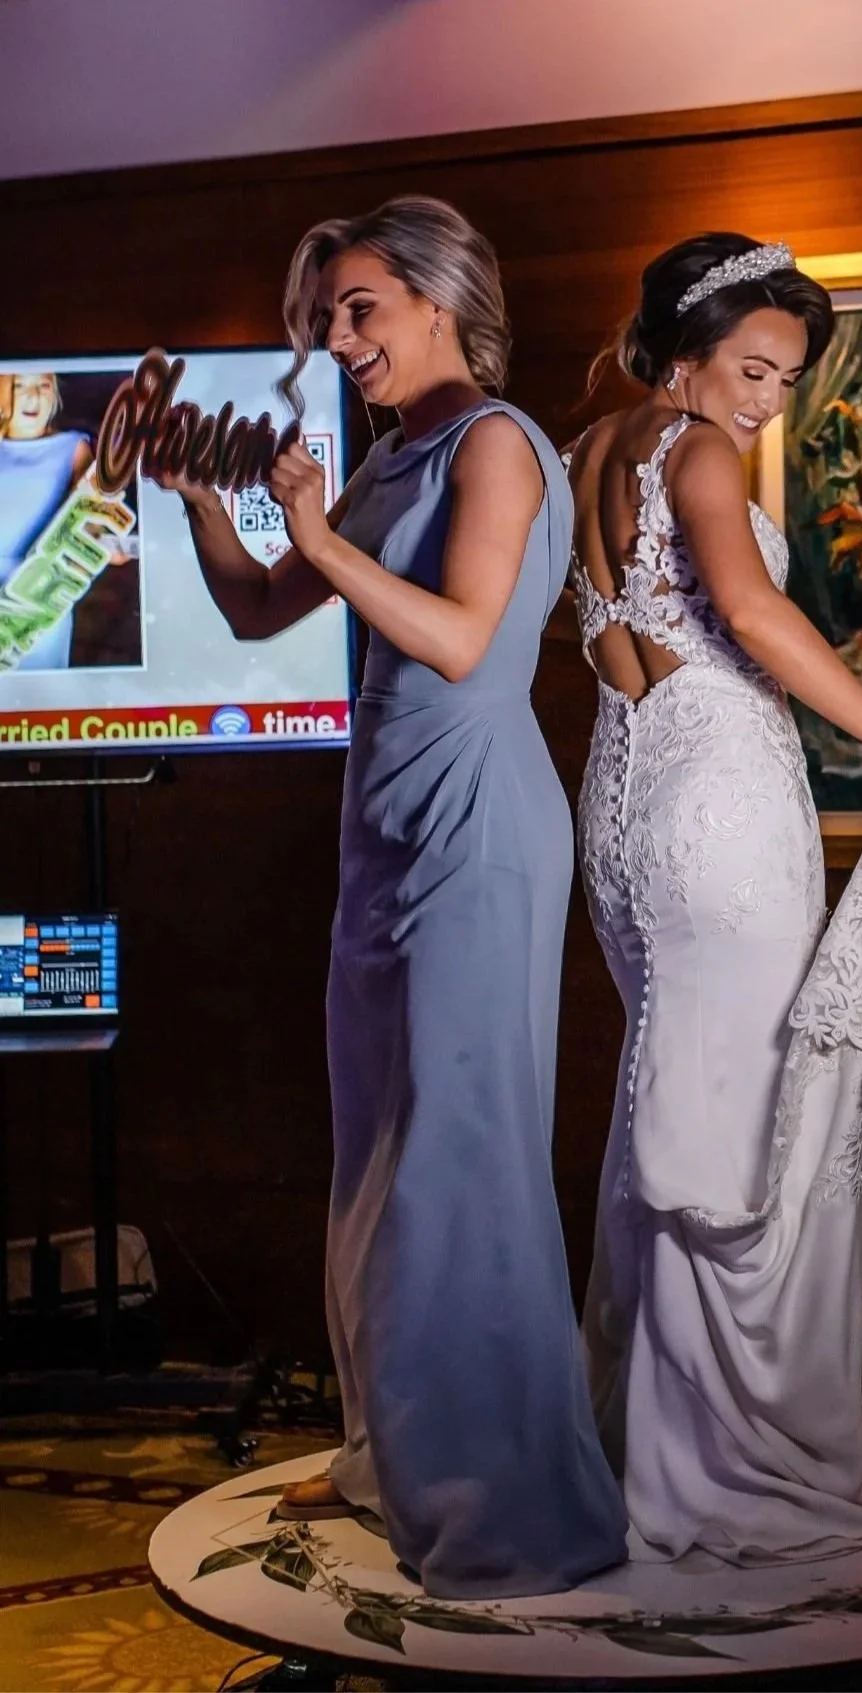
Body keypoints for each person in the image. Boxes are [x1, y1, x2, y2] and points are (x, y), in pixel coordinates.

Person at [169, 196, 626, 1598]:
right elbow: (257, 610)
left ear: (441, 302)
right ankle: (400, 1455)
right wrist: (203, 500)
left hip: (476, 824)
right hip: (383, 833)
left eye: (359, 307)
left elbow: (461, 639)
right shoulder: (388, 457)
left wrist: (318, 530)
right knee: (378, 1152)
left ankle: (511, 1507)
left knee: (456, 1160)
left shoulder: (497, 443)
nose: (337, 337)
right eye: (328, 317)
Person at [565, 233, 862, 1567]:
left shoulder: (584, 452)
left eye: (785, 378)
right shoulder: (695, 450)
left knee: (677, 1096)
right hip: (718, 802)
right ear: (686, 351)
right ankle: (727, 1462)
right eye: (752, 368)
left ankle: (649, 1440)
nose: (766, 399)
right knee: (743, 1120)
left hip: (624, 800)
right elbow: (752, 614)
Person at [0, 371, 93, 670]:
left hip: (39, 594)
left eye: (43, 385)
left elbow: (93, 519)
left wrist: (102, 544)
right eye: (20, 386)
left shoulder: (74, 447)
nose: (34, 396)